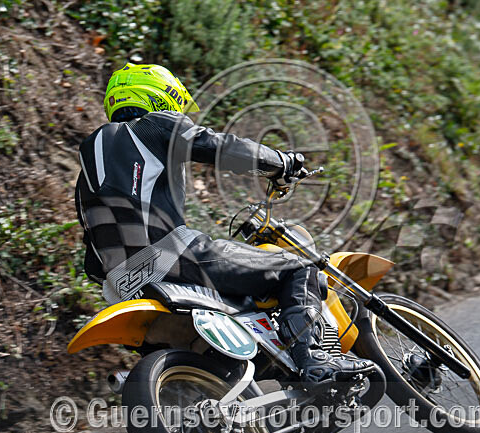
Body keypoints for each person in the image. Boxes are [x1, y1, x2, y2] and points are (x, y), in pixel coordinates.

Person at [75, 63, 374, 385]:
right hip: (171, 255)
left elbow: (92, 260)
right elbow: (219, 146)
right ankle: (315, 357)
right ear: (161, 95)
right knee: (296, 269)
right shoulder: (152, 126)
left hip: (122, 287)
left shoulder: (87, 175)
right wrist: (281, 162)